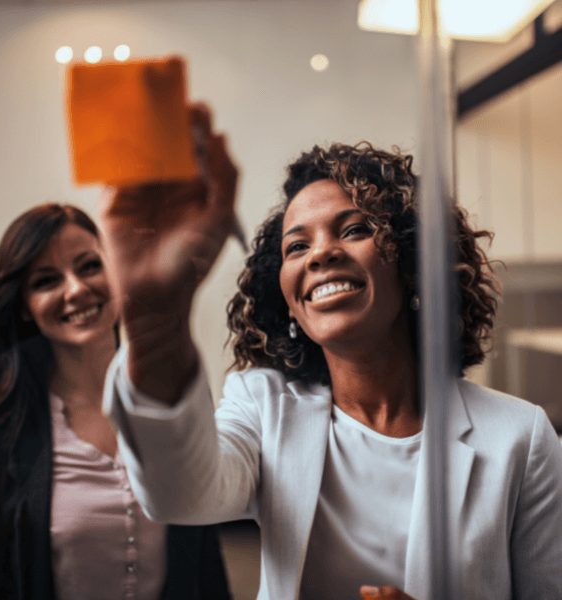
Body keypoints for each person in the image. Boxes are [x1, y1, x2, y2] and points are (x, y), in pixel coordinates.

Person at [98, 107, 562, 600]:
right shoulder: (262, 406)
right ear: (290, 307)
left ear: (411, 264)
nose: (321, 253)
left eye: (354, 230)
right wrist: (154, 321)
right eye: (296, 247)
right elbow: (178, 494)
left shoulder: (520, 438)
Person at [0, 203, 232, 600]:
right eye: (46, 280)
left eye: (89, 266)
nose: (76, 289)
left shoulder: (174, 397)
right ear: (23, 306)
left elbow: (205, 560)